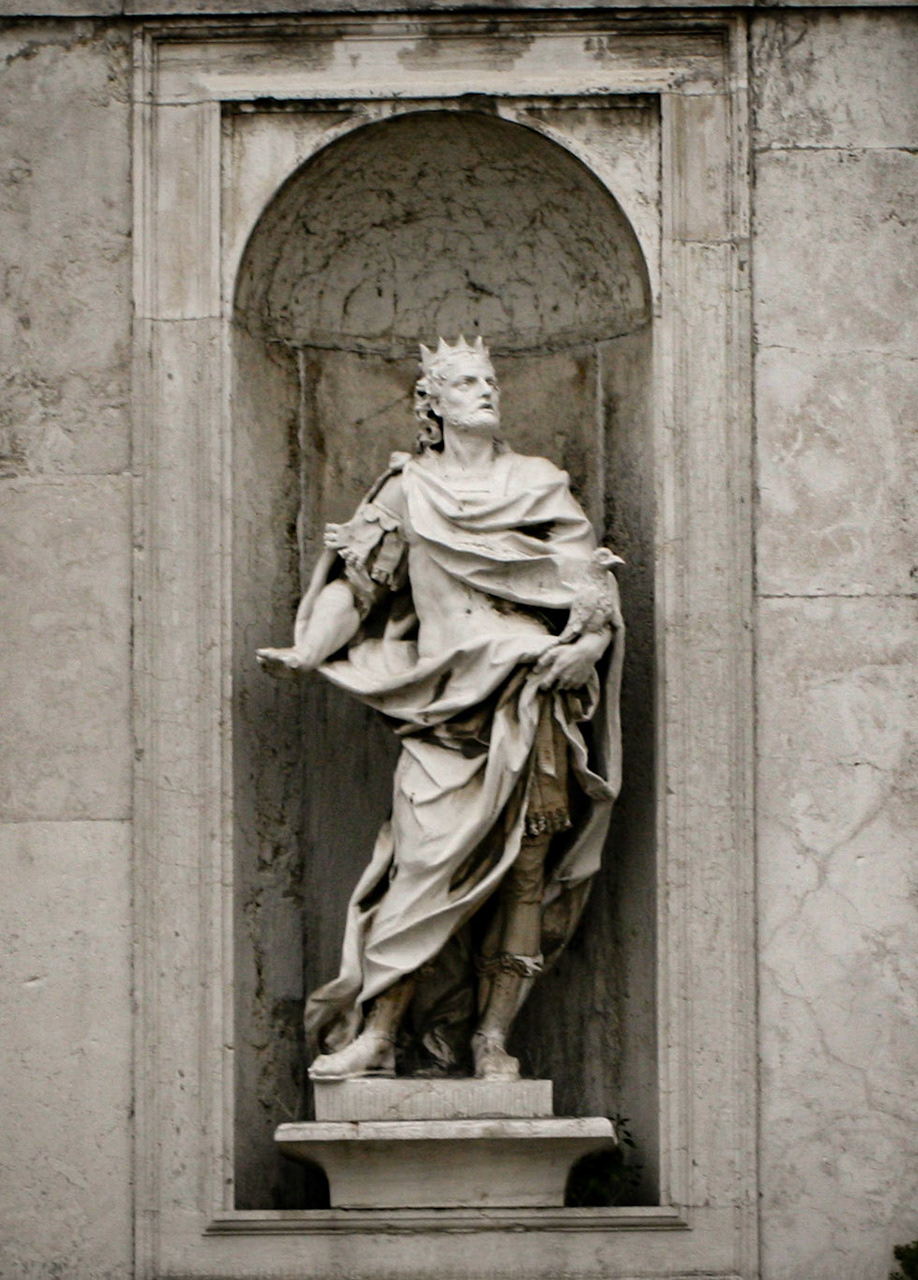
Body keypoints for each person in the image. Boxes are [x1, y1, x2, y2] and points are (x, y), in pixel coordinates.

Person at [257, 336, 624, 1082]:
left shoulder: (538, 484)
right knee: (419, 868)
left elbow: (593, 588)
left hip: (529, 698)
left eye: (489, 379)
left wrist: (589, 646)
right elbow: (357, 589)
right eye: (464, 382)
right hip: (442, 714)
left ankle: (493, 1039)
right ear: (432, 402)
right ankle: (381, 1035)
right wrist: (307, 649)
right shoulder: (406, 491)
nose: (484, 390)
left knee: (527, 870)